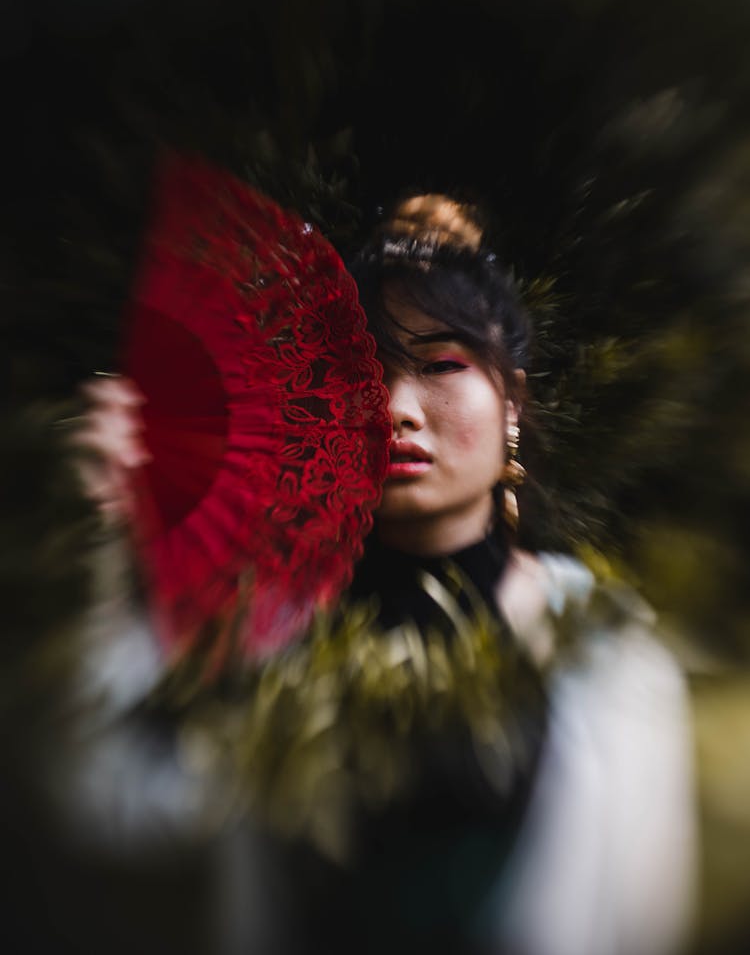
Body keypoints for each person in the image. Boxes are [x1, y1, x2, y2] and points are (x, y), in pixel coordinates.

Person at [71, 189, 698, 955]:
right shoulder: (268, 621)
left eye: (440, 362)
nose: (397, 406)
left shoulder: (605, 648)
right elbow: (116, 801)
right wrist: (118, 546)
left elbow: (645, 914)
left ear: (511, 404)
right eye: (362, 369)